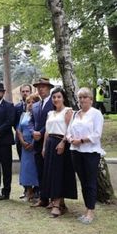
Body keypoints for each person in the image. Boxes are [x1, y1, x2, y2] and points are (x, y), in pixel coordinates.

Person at [67, 87, 104, 224]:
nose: (82, 100)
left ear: (91, 99)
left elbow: (97, 134)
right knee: (82, 181)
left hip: (90, 152)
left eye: (84, 97)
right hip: (75, 151)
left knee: (90, 181)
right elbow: (68, 131)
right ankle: (86, 208)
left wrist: (82, 140)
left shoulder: (96, 114)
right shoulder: (75, 114)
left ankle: (90, 211)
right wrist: (71, 139)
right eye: (80, 98)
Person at [42, 87, 77, 217]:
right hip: (50, 143)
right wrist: (44, 147)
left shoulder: (68, 111)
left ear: (63, 98)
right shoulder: (50, 113)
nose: (56, 99)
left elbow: (70, 129)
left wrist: (63, 142)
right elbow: (47, 131)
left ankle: (56, 205)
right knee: (51, 173)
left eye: (58, 97)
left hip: (61, 143)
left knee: (59, 173)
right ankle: (59, 202)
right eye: (54, 97)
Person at [30, 77, 55, 208]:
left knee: (50, 171)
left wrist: (41, 132)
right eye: (39, 87)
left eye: (43, 86)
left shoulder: (55, 102)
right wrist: (33, 131)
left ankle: (53, 199)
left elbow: (54, 121)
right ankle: (42, 197)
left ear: (49, 88)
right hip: (36, 142)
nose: (41, 89)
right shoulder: (35, 105)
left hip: (49, 141)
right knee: (39, 171)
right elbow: (31, 121)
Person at [16, 93, 40, 201]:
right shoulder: (23, 115)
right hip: (24, 145)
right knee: (26, 169)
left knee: (36, 168)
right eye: (28, 102)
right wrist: (22, 141)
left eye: (33, 102)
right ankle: (28, 192)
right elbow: (18, 129)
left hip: (35, 145)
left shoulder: (38, 115)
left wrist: (33, 143)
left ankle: (37, 192)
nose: (30, 104)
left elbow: (39, 130)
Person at [15, 84, 33, 199]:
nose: (25, 93)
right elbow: (15, 124)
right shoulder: (17, 107)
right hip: (20, 140)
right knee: (24, 165)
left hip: (33, 142)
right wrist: (21, 138)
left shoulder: (35, 106)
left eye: (27, 91)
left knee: (33, 166)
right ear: (20, 92)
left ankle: (35, 190)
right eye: (23, 91)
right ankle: (26, 190)